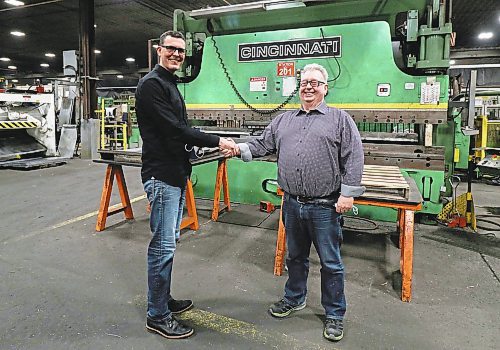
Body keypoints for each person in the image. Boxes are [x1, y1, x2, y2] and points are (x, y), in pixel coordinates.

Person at [230, 63, 365, 342]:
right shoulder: (283, 120)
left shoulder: (339, 119)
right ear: (298, 88)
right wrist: (238, 147)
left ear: (325, 88)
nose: (308, 86)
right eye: (304, 82)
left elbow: (353, 157)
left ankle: (335, 314)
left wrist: (348, 194)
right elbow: (262, 144)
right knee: (295, 257)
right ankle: (294, 298)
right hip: (292, 204)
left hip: (325, 206)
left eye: (315, 82)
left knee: (331, 262)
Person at [135, 30, 236, 340]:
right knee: (163, 247)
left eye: (181, 51)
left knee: (170, 243)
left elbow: (179, 130)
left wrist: (196, 145)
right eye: (171, 50)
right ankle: (157, 315)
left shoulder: (170, 83)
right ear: (158, 50)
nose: (177, 55)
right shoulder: (152, 84)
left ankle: (162, 300)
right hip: (162, 176)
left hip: (175, 174)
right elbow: (174, 128)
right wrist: (217, 140)